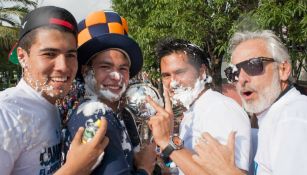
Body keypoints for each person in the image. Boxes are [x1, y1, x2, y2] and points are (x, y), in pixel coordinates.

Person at [0, 6, 109, 175]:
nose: (63, 66)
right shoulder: (6, 114)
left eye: (71, 55)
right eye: (49, 54)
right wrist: (75, 169)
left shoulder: (49, 106)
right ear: (22, 57)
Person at [193, 30, 307, 175]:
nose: (241, 79)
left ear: (283, 70)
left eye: (253, 65)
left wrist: (228, 172)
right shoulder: (274, 117)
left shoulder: (291, 119)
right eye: (233, 72)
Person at [65, 10, 156, 175]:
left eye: (123, 68)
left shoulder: (118, 114)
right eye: (105, 67)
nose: (116, 76)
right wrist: (145, 168)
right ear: (86, 71)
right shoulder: (95, 115)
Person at [147, 38, 251, 174]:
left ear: (202, 71)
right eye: (166, 75)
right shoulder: (194, 110)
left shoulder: (220, 109)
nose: (172, 83)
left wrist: (168, 141)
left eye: (179, 72)